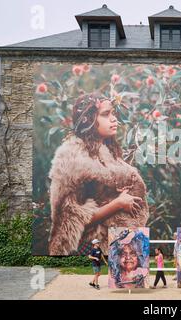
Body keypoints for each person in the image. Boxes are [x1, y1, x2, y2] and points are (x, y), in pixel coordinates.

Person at [48, 93, 149, 255]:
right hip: (88, 247)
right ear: (88, 120)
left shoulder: (108, 153)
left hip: (116, 242)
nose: (113, 119)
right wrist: (118, 204)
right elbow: (71, 220)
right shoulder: (73, 159)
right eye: (105, 114)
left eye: (113, 113)